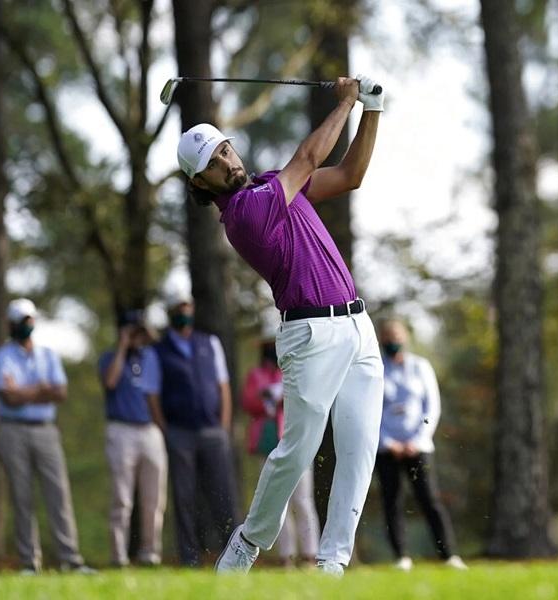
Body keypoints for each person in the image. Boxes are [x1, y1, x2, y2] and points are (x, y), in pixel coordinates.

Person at [176, 75, 385, 577]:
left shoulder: (273, 183)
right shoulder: (243, 214)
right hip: (311, 336)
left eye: (226, 150)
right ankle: (247, 543)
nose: (228, 162)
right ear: (200, 183)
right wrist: (347, 102)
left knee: (359, 449)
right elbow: (310, 159)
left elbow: (350, 174)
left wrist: (372, 111)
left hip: (358, 327)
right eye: (213, 164)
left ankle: (332, 564)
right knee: (297, 452)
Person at [0, 298, 95, 574]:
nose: (27, 325)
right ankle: (29, 563)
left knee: (58, 494)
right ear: (11, 324)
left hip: (46, 431)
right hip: (13, 431)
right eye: (22, 321)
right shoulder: (3, 356)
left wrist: (25, 390)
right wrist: (42, 388)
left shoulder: (48, 355)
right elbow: (8, 397)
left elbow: (60, 392)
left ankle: (71, 559)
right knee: (22, 496)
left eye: (30, 320)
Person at [153, 290, 239, 566]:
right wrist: (165, 429)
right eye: (179, 308)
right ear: (170, 314)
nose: (184, 312)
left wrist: (224, 425)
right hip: (180, 432)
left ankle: (233, 554)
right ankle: (190, 557)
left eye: (187, 307)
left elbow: (223, 386)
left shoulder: (209, 343)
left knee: (223, 494)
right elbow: (152, 395)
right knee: (185, 497)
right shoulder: (159, 350)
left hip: (213, 431)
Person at [376, 319, 466, 571]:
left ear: (405, 337)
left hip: (419, 448)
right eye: (387, 336)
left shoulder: (420, 366)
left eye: (396, 335)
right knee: (391, 501)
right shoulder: (376, 368)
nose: (392, 340)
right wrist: (387, 442)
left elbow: (432, 407)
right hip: (387, 449)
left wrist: (417, 441)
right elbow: (371, 411)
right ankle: (401, 557)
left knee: (429, 500)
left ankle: (449, 555)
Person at [241, 338, 320, 568]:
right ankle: (287, 556)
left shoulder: (295, 368)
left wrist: (280, 395)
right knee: (278, 503)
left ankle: (310, 554)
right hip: (268, 445)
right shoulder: (256, 375)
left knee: (303, 500)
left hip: (296, 442)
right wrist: (266, 395)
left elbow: (304, 398)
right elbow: (249, 401)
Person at [98, 309, 167, 567]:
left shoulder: (150, 356)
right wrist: (123, 347)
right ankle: (119, 556)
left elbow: (160, 343)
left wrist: (147, 333)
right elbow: (111, 382)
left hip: (149, 430)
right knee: (122, 499)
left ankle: (150, 553)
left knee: (154, 499)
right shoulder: (109, 358)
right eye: (131, 329)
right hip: (121, 430)